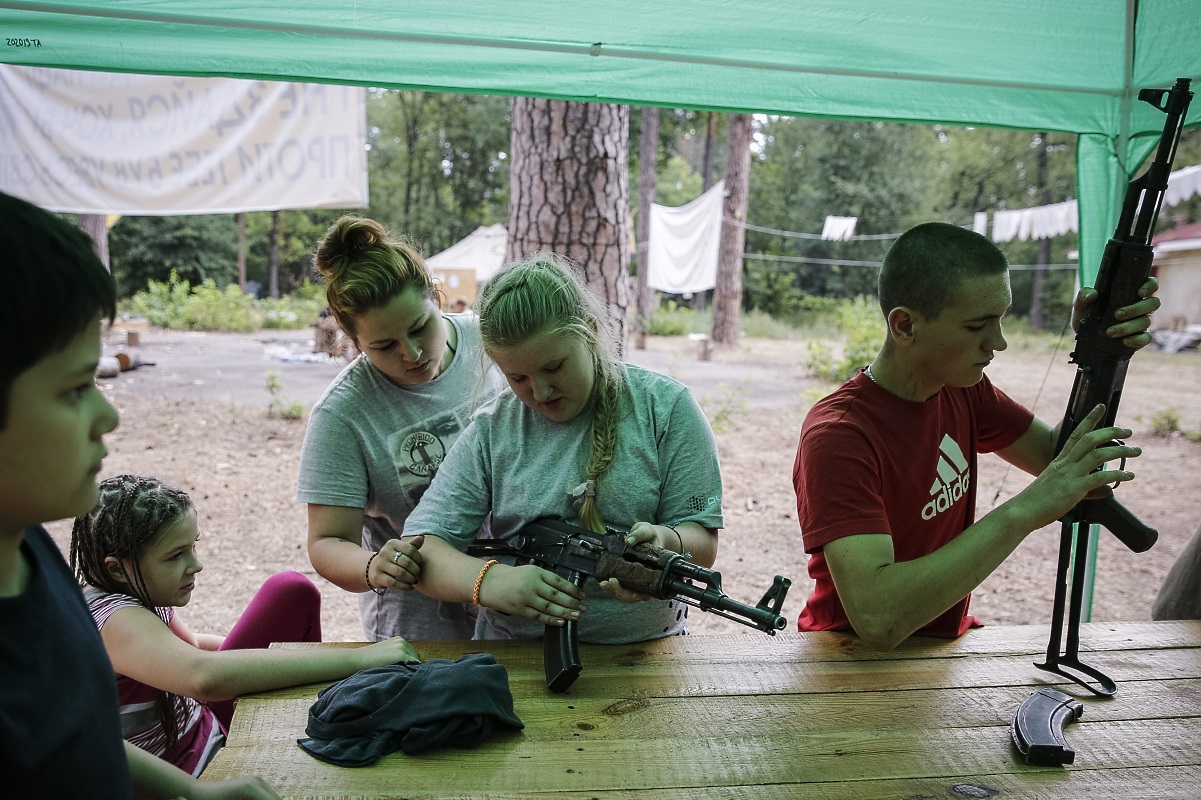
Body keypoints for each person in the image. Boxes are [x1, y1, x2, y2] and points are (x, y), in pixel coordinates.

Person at [0, 190, 278, 799]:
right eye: (75, 389)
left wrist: (200, 795)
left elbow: (86, 735)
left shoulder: (31, 555)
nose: (108, 416)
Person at [792, 221, 1160, 651]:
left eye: (1001, 319)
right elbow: (878, 617)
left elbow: (1053, 457)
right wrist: (1027, 509)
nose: (998, 342)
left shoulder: (962, 389)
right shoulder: (839, 435)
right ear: (905, 326)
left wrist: (1098, 353)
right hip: (846, 662)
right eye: (976, 326)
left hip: (938, 646)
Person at [402, 254, 723, 642]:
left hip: (648, 654)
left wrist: (666, 543)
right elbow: (423, 549)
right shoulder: (493, 428)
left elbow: (701, 543)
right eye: (517, 377)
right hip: (511, 655)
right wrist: (490, 581)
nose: (540, 392)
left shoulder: (665, 409)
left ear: (588, 332)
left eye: (554, 367)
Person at [70, 474, 420, 776]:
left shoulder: (140, 595)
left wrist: (277, 661)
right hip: (188, 773)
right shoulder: (112, 617)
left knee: (290, 591)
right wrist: (359, 659)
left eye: (192, 547)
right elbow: (203, 677)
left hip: (204, 729)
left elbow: (191, 646)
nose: (196, 565)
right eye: (175, 556)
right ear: (117, 568)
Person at [299, 215, 506, 641]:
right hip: (416, 609)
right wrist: (374, 567)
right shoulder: (342, 414)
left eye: (419, 328)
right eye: (384, 345)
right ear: (353, 341)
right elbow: (326, 542)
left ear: (438, 298)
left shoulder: (493, 342)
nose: (411, 353)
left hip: (513, 583)